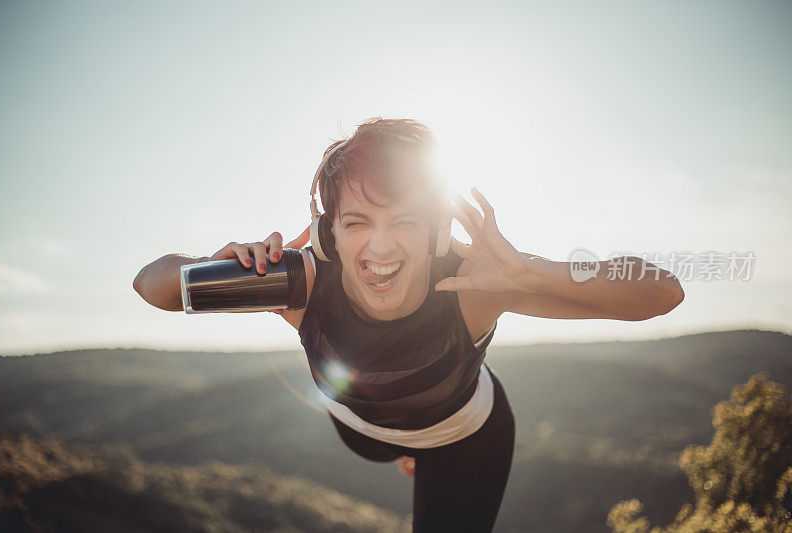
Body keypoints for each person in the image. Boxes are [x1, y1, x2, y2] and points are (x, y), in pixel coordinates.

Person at [133, 117, 685, 532]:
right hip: (363, 431)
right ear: (328, 235)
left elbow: (661, 293)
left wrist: (524, 271)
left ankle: (422, 454)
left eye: (405, 221)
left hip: (464, 439)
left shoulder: (476, 285)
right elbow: (151, 284)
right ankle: (407, 450)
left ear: (437, 232)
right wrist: (220, 265)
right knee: (383, 438)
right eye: (357, 222)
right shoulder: (298, 282)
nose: (379, 246)